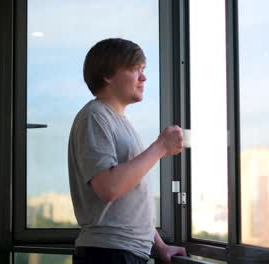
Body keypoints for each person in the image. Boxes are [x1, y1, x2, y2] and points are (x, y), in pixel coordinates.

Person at [68, 38, 187, 264]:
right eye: (134, 69)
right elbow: (109, 187)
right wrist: (160, 146)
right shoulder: (95, 116)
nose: (143, 77)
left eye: (143, 70)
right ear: (108, 75)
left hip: (124, 253)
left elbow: (129, 200)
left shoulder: (118, 121)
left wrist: (159, 246)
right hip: (109, 254)